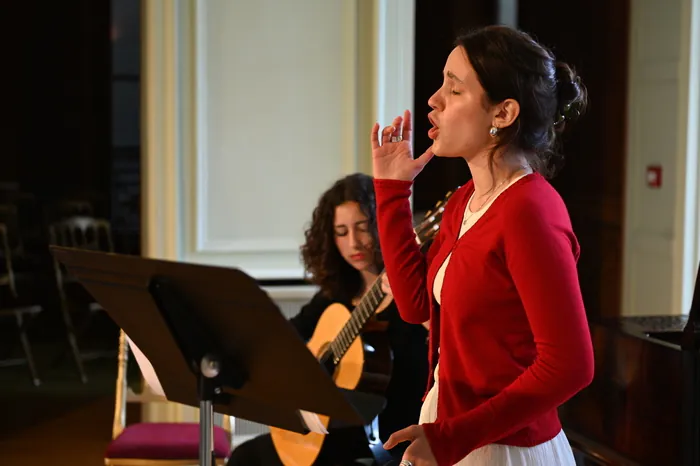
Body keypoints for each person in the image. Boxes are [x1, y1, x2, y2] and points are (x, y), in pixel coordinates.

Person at [370, 25, 595, 466]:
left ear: (503, 113)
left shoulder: (530, 209)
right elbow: (416, 306)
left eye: (454, 90)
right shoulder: (465, 200)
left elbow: (570, 365)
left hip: (502, 447)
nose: (433, 100)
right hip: (450, 427)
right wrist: (392, 191)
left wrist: (455, 436)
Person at [227, 173, 429, 466]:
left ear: (382, 224)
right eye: (341, 232)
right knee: (246, 457)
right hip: (335, 433)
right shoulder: (335, 295)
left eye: (363, 228)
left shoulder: (413, 294)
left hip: (390, 435)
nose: (354, 242)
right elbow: (285, 340)